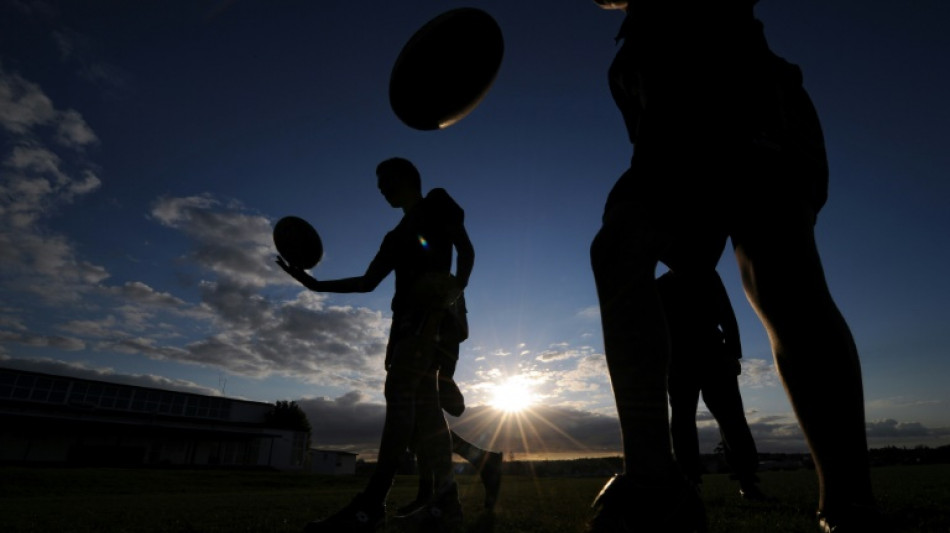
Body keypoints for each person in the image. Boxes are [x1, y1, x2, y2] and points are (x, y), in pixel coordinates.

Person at [588, 2, 884, 532]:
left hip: (744, 93)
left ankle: (849, 504)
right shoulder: (634, 53)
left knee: (782, 281)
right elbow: (688, 248)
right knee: (620, 248)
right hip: (679, 128)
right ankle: (657, 484)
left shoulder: (691, 28)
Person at [278, 157, 474, 532]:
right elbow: (368, 282)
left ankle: (370, 507)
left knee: (401, 404)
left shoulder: (437, 202)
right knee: (429, 418)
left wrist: (451, 294)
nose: (381, 187)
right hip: (404, 327)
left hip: (427, 322)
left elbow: (465, 251)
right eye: (379, 183)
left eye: (386, 180)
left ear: (408, 178)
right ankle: (446, 506)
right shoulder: (395, 236)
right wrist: (313, 284)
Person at [658, 268, 765, 501]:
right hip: (679, 362)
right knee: (683, 422)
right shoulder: (660, 285)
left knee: (732, 419)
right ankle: (690, 483)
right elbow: (656, 328)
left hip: (714, 356)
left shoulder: (707, 274)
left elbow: (727, 314)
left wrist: (733, 354)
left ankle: (747, 482)